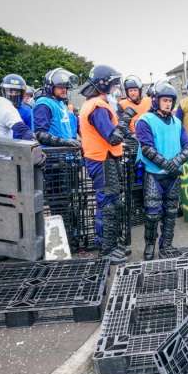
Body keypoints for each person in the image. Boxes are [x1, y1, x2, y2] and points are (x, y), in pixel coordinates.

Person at [135, 81, 188, 261]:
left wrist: (176, 161)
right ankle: (150, 245)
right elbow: (146, 148)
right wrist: (165, 163)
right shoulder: (145, 121)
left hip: (173, 175)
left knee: (170, 213)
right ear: (155, 101)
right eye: (164, 100)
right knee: (152, 214)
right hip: (154, 174)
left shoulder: (177, 122)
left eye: (170, 100)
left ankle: (166, 245)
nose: (168, 104)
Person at [78, 64, 127, 264]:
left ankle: (111, 244)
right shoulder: (97, 106)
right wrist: (126, 120)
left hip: (105, 158)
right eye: (113, 84)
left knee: (112, 202)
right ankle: (106, 250)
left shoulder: (96, 103)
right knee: (107, 204)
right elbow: (113, 137)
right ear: (103, 84)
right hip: (102, 159)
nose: (116, 88)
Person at [33, 67, 80, 146]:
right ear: (50, 87)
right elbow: (40, 134)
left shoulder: (60, 103)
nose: (64, 90)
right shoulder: (44, 104)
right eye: (60, 87)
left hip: (64, 153)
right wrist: (63, 142)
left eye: (65, 87)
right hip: (52, 155)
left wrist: (73, 141)